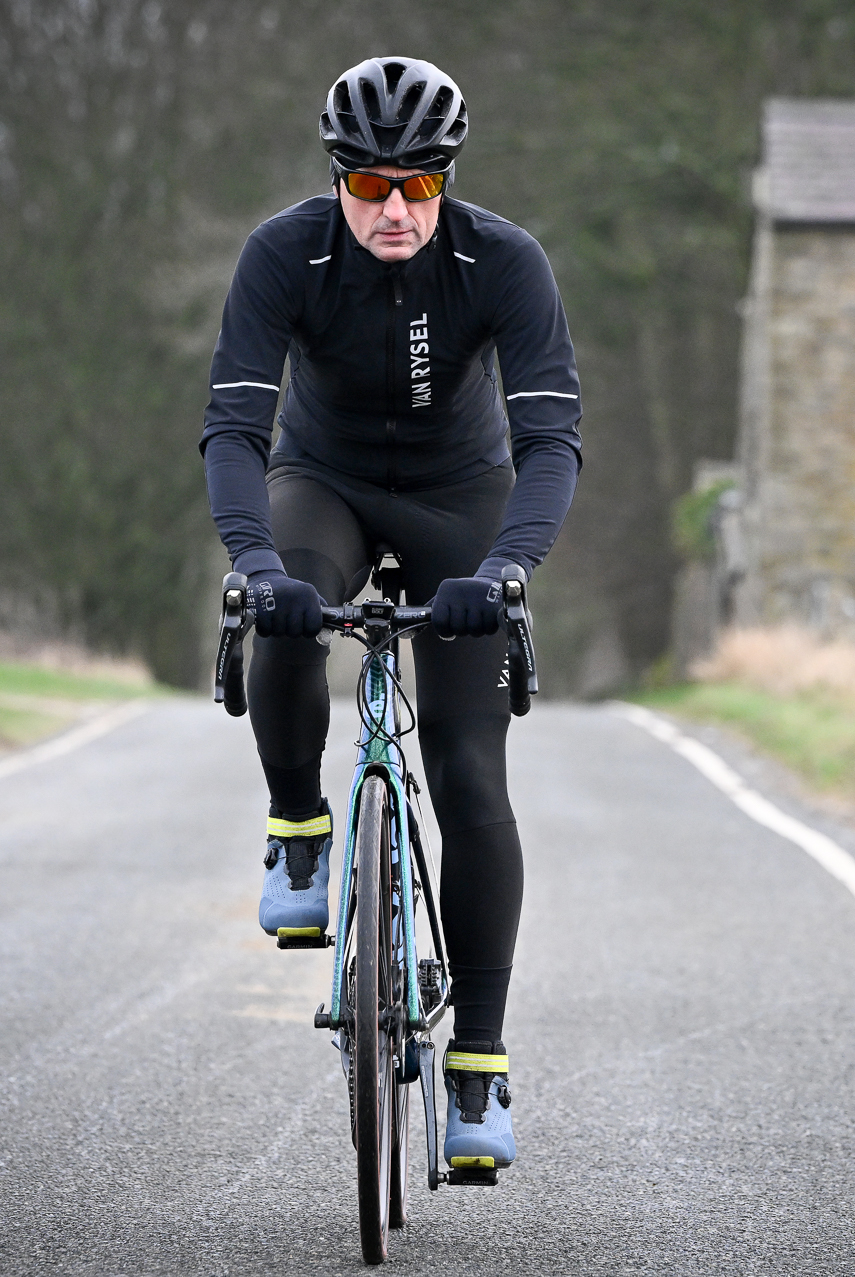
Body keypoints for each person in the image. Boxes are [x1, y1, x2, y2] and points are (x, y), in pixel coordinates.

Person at [200, 57, 581, 1173]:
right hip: (321, 479)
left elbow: (550, 440)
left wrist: (506, 569)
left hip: (461, 497)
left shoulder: (502, 260)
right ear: (337, 183)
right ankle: (300, 834)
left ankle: (478, 1065)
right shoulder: (283, 253)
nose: (397, 211)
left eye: (421, 185)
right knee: (282, 608)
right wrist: (253, 558)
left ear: (448, 180)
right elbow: (233, 427)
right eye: (370, 189)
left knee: (469, 772)